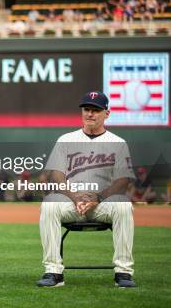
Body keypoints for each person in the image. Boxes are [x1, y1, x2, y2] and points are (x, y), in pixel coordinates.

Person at [37, 91, 136, 288]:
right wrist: (74, 197)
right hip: (72, 203)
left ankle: (123, 272)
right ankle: (53, 272)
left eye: (96, 110)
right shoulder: (65, 139)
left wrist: (98, 197)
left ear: (106, 114)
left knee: (124, 205)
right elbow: (56, 175)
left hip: (102, 204)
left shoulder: (118, 143)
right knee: (49, 205)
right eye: (87, 109)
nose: (90, 114)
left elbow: (122, 181)